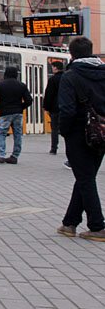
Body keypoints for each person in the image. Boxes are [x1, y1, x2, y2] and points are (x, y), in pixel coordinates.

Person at [56, 37, 105, 240]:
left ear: (72, 54)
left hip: (78, 134)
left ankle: (97, 226)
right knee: (86, 178)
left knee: (85, 178)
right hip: (102, 133)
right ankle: (70, 223)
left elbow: (66, 110)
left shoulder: (70, 77)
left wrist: (64, 132)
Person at [0, 66, 32, 164]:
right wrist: (21, 107)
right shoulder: (22, 85)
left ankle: (0, 155)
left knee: (1, 133)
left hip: (5, 113)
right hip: (18, 113)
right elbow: (29, 100)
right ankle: (14, 156)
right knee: (17, 134)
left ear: (5, 73)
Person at [43, 61, 65, 155]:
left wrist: (46, 107)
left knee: (54, 129)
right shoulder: (66, 78)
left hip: (55, 108)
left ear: (55, 68)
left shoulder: (53, 79)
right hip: (66, 107)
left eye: (52, 67)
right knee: (66, 128)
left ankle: (54, 148)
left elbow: (49, 94)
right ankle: (69, 149)